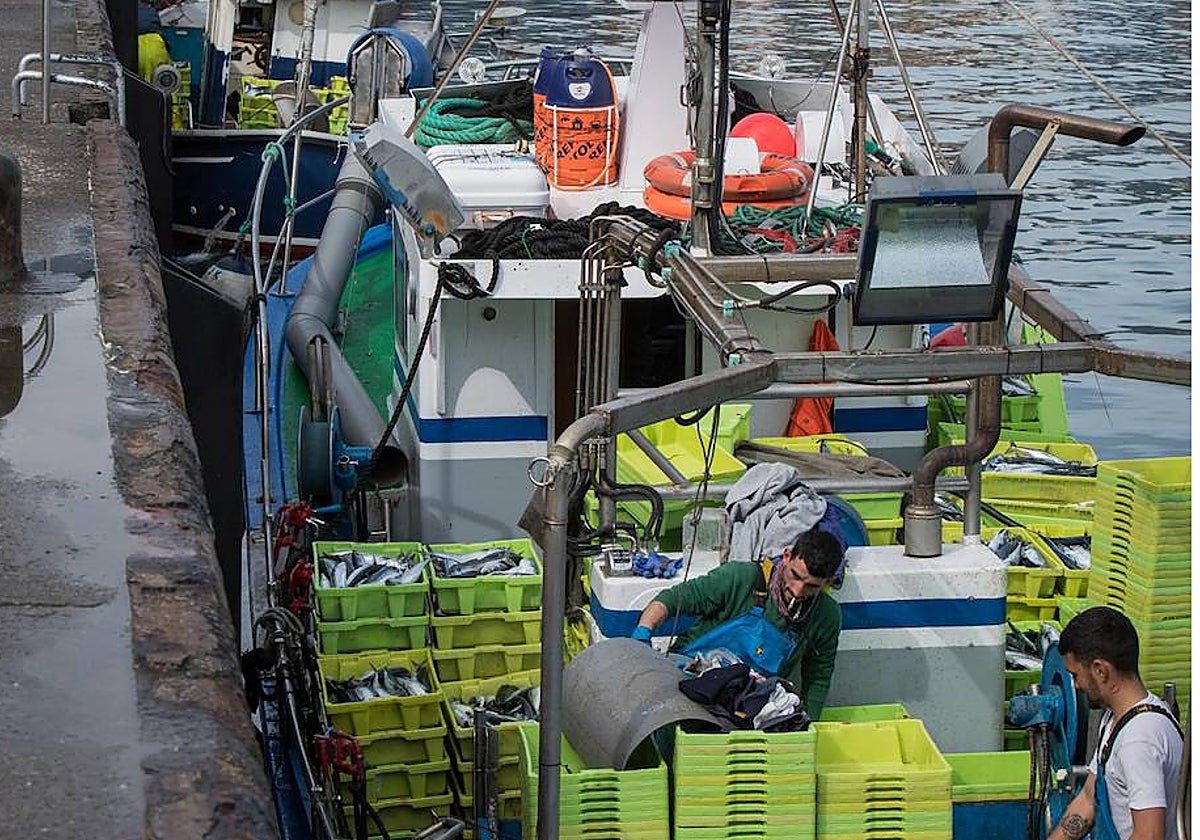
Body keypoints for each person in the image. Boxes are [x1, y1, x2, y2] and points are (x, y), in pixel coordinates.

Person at [632, 528, 844, 721]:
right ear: (787, 556)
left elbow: (818, 677)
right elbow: (672, 599)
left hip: (746, 703)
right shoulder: (742, 577)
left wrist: (808, 725)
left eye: (811, 586)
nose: (797, 591)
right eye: (795, 576)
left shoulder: (825, 616)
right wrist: (644, 630)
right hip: (689, 678)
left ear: (828, 582)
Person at [1050, 606, 1184, 840]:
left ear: (1100, 670)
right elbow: (1088, 798)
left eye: (1075, 675)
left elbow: (1149, 836)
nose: (1077, 686)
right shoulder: (1116, 720)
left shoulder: (1139, 740)